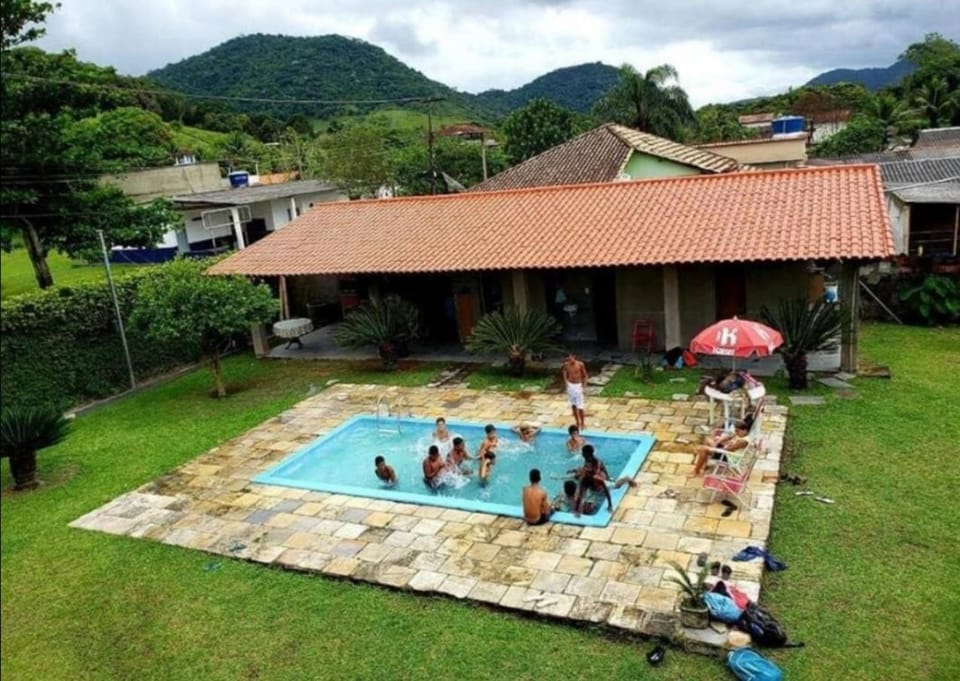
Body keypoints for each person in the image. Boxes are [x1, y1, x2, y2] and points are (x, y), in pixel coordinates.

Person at [562, 353, 588, 431]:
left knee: (580, 406)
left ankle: (582, 423)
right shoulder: (566, 365)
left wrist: (584, 385)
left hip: (578, 386)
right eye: (568, 359)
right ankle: (577, 422)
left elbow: (585, 375)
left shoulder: (580, 364)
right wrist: (566, 382)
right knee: (573, 405)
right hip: (570, 385)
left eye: (571, 358)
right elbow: (564, 372)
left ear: (574, 357)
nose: (570, 360)